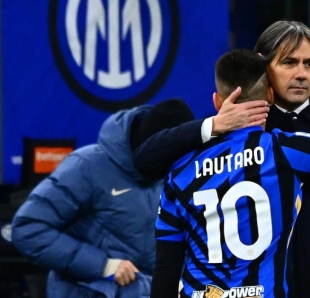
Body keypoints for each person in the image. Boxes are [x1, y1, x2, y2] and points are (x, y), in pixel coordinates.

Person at [135, 21, 310, 298]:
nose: (302, 74)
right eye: (290, 63)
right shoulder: (240, 128)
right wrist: (212, 125)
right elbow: (146, 160)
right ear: (263, 67)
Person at [10, 99, 195, 298]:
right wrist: (103, 265)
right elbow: (27, 228)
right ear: (160, 148)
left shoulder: (173, 175)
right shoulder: (87, 167)